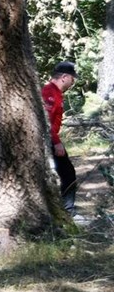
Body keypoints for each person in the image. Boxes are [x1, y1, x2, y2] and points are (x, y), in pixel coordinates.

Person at [42, 61, 85, 224]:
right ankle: (68, 212)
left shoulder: (57, 93)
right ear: (64, 77)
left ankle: (63, 210)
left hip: (51, 139)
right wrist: (56, 142)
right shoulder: (49, 92)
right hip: (49, 140)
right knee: (68, 173)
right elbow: (46, 121)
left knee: (65, 173)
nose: (73, 82)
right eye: (72, 79)